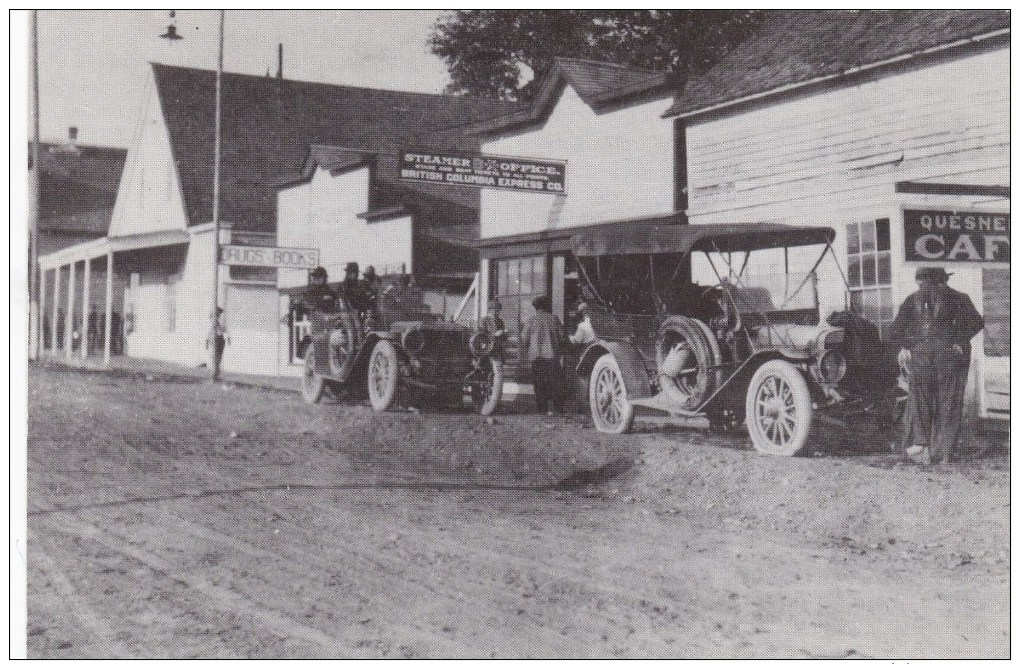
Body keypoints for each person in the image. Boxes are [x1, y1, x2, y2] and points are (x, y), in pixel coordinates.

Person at [889, 267, 983, 465]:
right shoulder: (959, 297)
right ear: (943, 279)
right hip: (946, 354)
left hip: (923, 354)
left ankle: (922, 446)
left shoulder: (912, 299)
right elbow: (976, 322)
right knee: (948, 401)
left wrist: (908, 345)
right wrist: (959, 340)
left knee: (921, 400)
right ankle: (944, 452)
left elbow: (895, 329)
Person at [521, 295, 565, 415]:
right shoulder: (554, 319)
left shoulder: (531, 320)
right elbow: (562, 338)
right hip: (552, 357)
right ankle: (558, 409)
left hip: (536, 358)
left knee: (539, 384)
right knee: (555, 383)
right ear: (547, 306)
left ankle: (542, 410)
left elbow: (524, 339)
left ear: (535, 308)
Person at [206, 306, 230, 380]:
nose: (218, 316)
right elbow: (209, 332)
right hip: (215, 340)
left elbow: (225, 331)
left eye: (218, 314)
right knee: (214, 357)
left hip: (220, 340)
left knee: (219, 357)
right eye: (216, 314)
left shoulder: (220, 322)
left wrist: (228, 338)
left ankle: (216, 375)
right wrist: (207, 341)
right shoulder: (212, 322)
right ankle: (214, 375)